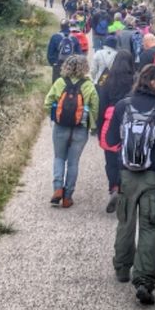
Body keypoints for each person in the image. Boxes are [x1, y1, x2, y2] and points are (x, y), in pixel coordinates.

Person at [106, 65, 155, 305]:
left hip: (126, 174)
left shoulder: (123, 106)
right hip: (150, 175)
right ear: (153, 83)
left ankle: (122, 268)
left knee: (125, 222)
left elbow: (111, 139)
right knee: (149, 227)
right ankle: (144, 281)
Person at [43, 55, 99, 208]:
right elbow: (95, 108)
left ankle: (57, 189)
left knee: (59, 157)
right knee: (73, 162)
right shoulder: (88, 86)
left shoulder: (60, 82)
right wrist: (91, 126)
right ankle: (68, 197)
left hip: (61, 127)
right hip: (80, 129)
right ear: (85, 68)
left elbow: (47, 103)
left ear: (66, 66)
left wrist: (55, 116)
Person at [96, 49, 136, 212]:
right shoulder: (135, 80)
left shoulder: (107, 80)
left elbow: (101, 107)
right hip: (130, 123)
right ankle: (126, 191)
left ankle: (113, 187)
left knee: (110, 160)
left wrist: (99, 131)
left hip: (109, 122)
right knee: (127, 160)